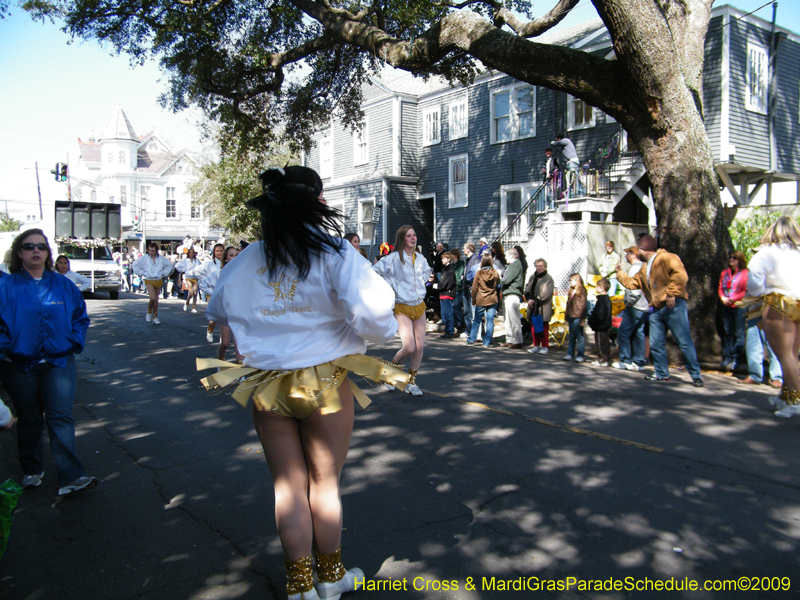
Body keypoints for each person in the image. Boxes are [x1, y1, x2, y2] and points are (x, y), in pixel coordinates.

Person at [201, 166, 406, 600]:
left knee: (288, 487)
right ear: (318, 203)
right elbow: (372, 314)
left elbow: (217, 307)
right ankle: (330, 578)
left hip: (265, 383)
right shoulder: (333, 251)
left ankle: (299, 588)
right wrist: (378, 335)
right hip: (324, 381)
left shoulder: (247, 258)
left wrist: (252, 334)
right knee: (324, 484)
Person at [0, 229, 97, 495]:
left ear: (47, 253)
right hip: (18, 365)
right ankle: (32, 469)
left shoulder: (63, 284)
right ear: (19, 252)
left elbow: (80, 316)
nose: (36, 251)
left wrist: (74, 341)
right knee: (30, 419)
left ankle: (72, 476)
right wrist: (6, 347)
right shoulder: (6, 286)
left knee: (60, 417)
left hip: (59, 362)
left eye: (41, 247)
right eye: (29, 246)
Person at [615, 234, 704, 387]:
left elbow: (680, 275)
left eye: (638, 250)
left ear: (643, 249)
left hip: (674, 305)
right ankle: (662, 373)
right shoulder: (644, 268)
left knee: (683, 341)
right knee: (656, 342)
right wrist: (619, 273)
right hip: (657, 308)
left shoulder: (667, 258)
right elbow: (632, 283)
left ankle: (695, 375)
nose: (636, 253)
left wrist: (672, 293)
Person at [745, 216, 800, 417]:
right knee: (792, 356)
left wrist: (764, 290)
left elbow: (753, 281)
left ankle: (795, 399)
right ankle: (785, 396)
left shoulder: (766, 253)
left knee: (784, 355)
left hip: (779, 303)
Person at [373, 225, 433, 396]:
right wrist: (389, 286)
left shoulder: (420, 258)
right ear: (402, 239)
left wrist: (425, 281)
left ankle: (411, 382)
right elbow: (374, 272)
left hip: (419, 305)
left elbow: (425, 274)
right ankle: (388, 373)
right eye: (409, 236)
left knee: (419, 347)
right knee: (409, 347)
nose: (413, 238)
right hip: (401, 306)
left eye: (414, 235)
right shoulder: (392, 259)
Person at [612, 246, 649, 371]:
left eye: (628, 254)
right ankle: (638, 361)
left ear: (634, 255)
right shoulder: (644, 268)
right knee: (639, 333)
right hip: (644, 307)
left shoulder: (635, 269)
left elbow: (635, 290)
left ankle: (625, 360)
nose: (626, 256)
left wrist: (629, 302)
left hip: (635, 306)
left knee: (623, 332)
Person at [719, 250, 749, 371]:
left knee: (739, 333)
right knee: (727, 332)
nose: (732, 260)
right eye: (730, 257)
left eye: (734, 258)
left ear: (740, 260)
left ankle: (737, 357)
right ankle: (727, 357)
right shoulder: (725, 273)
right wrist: (722, 298)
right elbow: (721, 287)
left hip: (739, 306)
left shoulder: (745, 273)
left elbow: (745, 290)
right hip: (726, 305)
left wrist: (733, 298)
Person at [133, 242, 173, 325]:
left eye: (152, 251)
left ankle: (155, 316)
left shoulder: (161, 259)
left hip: (158, 279)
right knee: (153, 297)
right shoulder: (144, 258)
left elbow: (169, 265)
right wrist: (142, 273)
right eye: (149, 250)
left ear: (156, 251)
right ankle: (149, 312)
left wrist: (163, 273)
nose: (150, 252)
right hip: (149, 279)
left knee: (156, 300)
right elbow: (135, 265)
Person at [467, 255, 501, 348]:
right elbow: (498, 285)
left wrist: (473, 299)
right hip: (492, 299)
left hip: (481, 299)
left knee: (477, 320)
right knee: (489, 321)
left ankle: (471, 339)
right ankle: (487, 342)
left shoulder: (478, 273)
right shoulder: (495, 273)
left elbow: (474, 289)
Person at [525, 258, 555, 355]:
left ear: (545, 267)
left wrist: (536, 300)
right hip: (532, 305)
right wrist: (529, 298)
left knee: (543, 327)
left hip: (543, 306)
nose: (539, 268)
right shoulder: (532, 277)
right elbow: (527, 288)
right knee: (533, 326)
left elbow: (547, 293)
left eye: (541, 266)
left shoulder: (548, 278)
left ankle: (545, 346)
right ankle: (536, 345)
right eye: (537, 266)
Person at [500, 247, 525, 349]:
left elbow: (506, 280)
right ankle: (509, 339)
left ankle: (517, 340)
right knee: (507, 319)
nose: (505, 258)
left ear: (512, 255)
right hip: (507, 294)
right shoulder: (511, 266)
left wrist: (499, 277)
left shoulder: (515, 265)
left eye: (506, 255)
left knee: (514, 319)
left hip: (512, 294)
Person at [202, 244, 225, 341]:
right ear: (214, 252)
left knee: (223, 315)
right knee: (215, 315)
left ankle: (222, 336)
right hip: (211, 292)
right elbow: (198, 273)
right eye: (217, 251)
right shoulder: (208, 264)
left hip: (224, 293)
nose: (219, 253)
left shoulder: (228, 263)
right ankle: (210, 329)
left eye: (221, 250)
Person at [588, 278, 612, 366]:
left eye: (598, 287)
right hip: (603, 325)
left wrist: (592, 320)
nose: (596, 289)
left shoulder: (603, 300)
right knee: (604, 342)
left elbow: (600, 314)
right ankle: (605, 358)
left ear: (602, 288)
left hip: (600, 326)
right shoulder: (606, 299)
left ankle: (603, 359)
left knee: (600, 343)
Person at [564, 273, 587, 362]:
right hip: (571, 315)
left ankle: (580, 355)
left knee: (580, 336)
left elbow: (583, 305)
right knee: (572, 336)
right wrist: (566, 315)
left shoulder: (582, 290)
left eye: (571, 280)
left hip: (578, 316)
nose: (570, 282)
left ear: (577, 281)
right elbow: (568, 304)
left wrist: (582, 319)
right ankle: (570, 353)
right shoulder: (571, 291)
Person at [460, 243, 480, 337]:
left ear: (468, 250)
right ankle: (468, 330)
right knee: (467, 311)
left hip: (471, 288)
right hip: (465, 287)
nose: (462, 250)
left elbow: (476, 274)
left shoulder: (475, 260)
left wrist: (469, 282)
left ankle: (473, 332)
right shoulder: (467, 260)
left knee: (472, 311)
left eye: (464, 248)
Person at [176, 247, 203, 313]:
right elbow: (177, 266)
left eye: (192, 252)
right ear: (188, 253)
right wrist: (184, 270)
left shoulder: (196, 261)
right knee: (191, 292)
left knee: (195, 292)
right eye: (190, 252)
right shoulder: (185, 260)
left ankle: (193, 307)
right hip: (188, 277)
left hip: (195, 277)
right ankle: (187, 303)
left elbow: (201, 267)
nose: (191, 254)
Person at [437, 251, 457, 338]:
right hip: (443, 294)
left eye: (444, 258)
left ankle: (450, 331)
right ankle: (447, 331)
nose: (442, 260)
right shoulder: (444, 269)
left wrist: (438, 286)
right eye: (442, 258)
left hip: (447, 294)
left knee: (448, 314)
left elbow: (447, 283)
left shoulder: (450, 270)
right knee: (444, 314)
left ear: (449, 259)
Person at [450, 248, 466, 333]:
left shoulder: (460, 264)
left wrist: (458, 283)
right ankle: (456, 322)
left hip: (458, 289)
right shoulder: (452, 264)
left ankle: (460, 322)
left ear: (455, 255)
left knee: (457, 306)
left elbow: (459, 276)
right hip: (453, 288)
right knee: (453, 306)